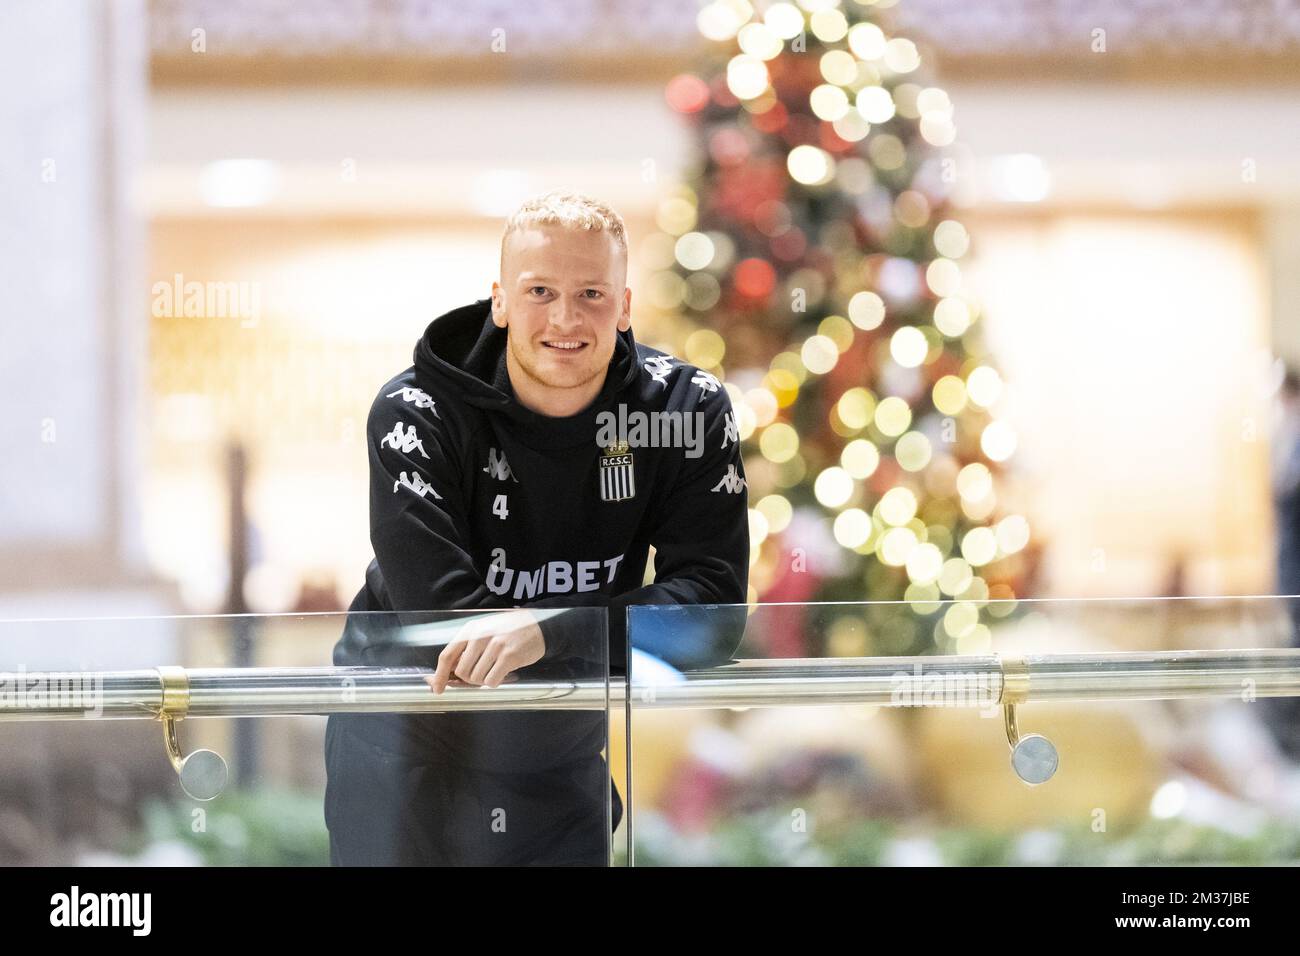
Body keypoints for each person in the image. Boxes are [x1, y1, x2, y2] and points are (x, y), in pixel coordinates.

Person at [323, 190, 750, 865]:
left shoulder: (683, 411)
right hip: (403, 738)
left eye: (591, 293)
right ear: (500, 301)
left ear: (626, 305)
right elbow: (447, 620)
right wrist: (590, 632)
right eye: (540, 290)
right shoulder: (418, 411)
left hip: (557, 738)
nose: (565, 318)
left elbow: (712, 611)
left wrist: (549, 630)